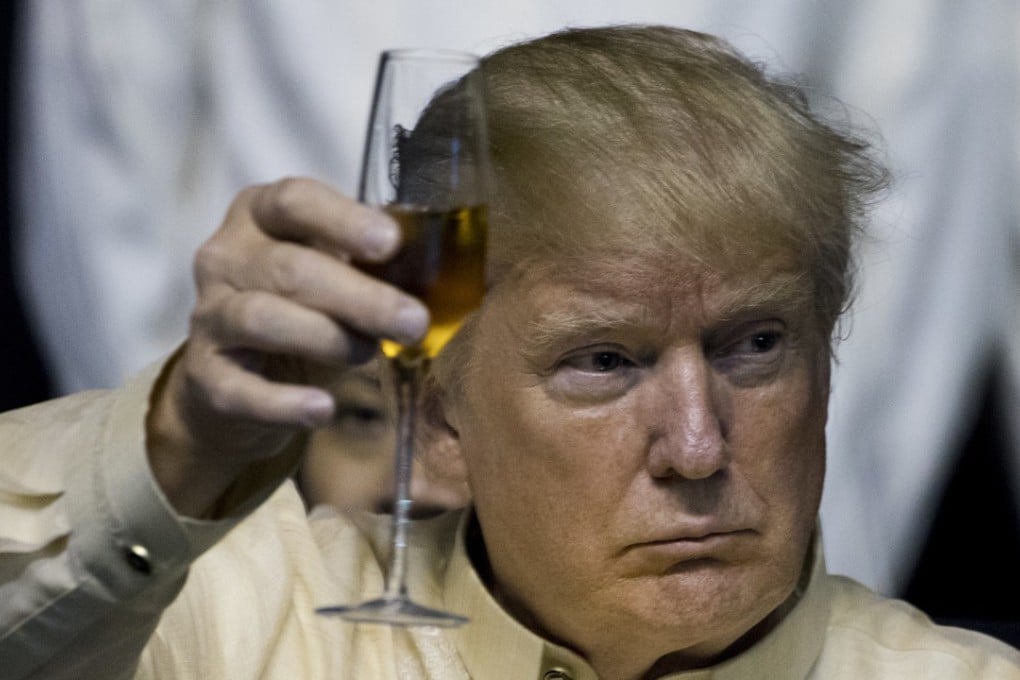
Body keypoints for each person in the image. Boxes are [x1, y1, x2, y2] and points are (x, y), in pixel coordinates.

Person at [2, 25, 1018, 679]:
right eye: (604, 362)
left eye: (755, 345)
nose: (699, 447)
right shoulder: (238, 629)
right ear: (438, 420)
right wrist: (181, 437)